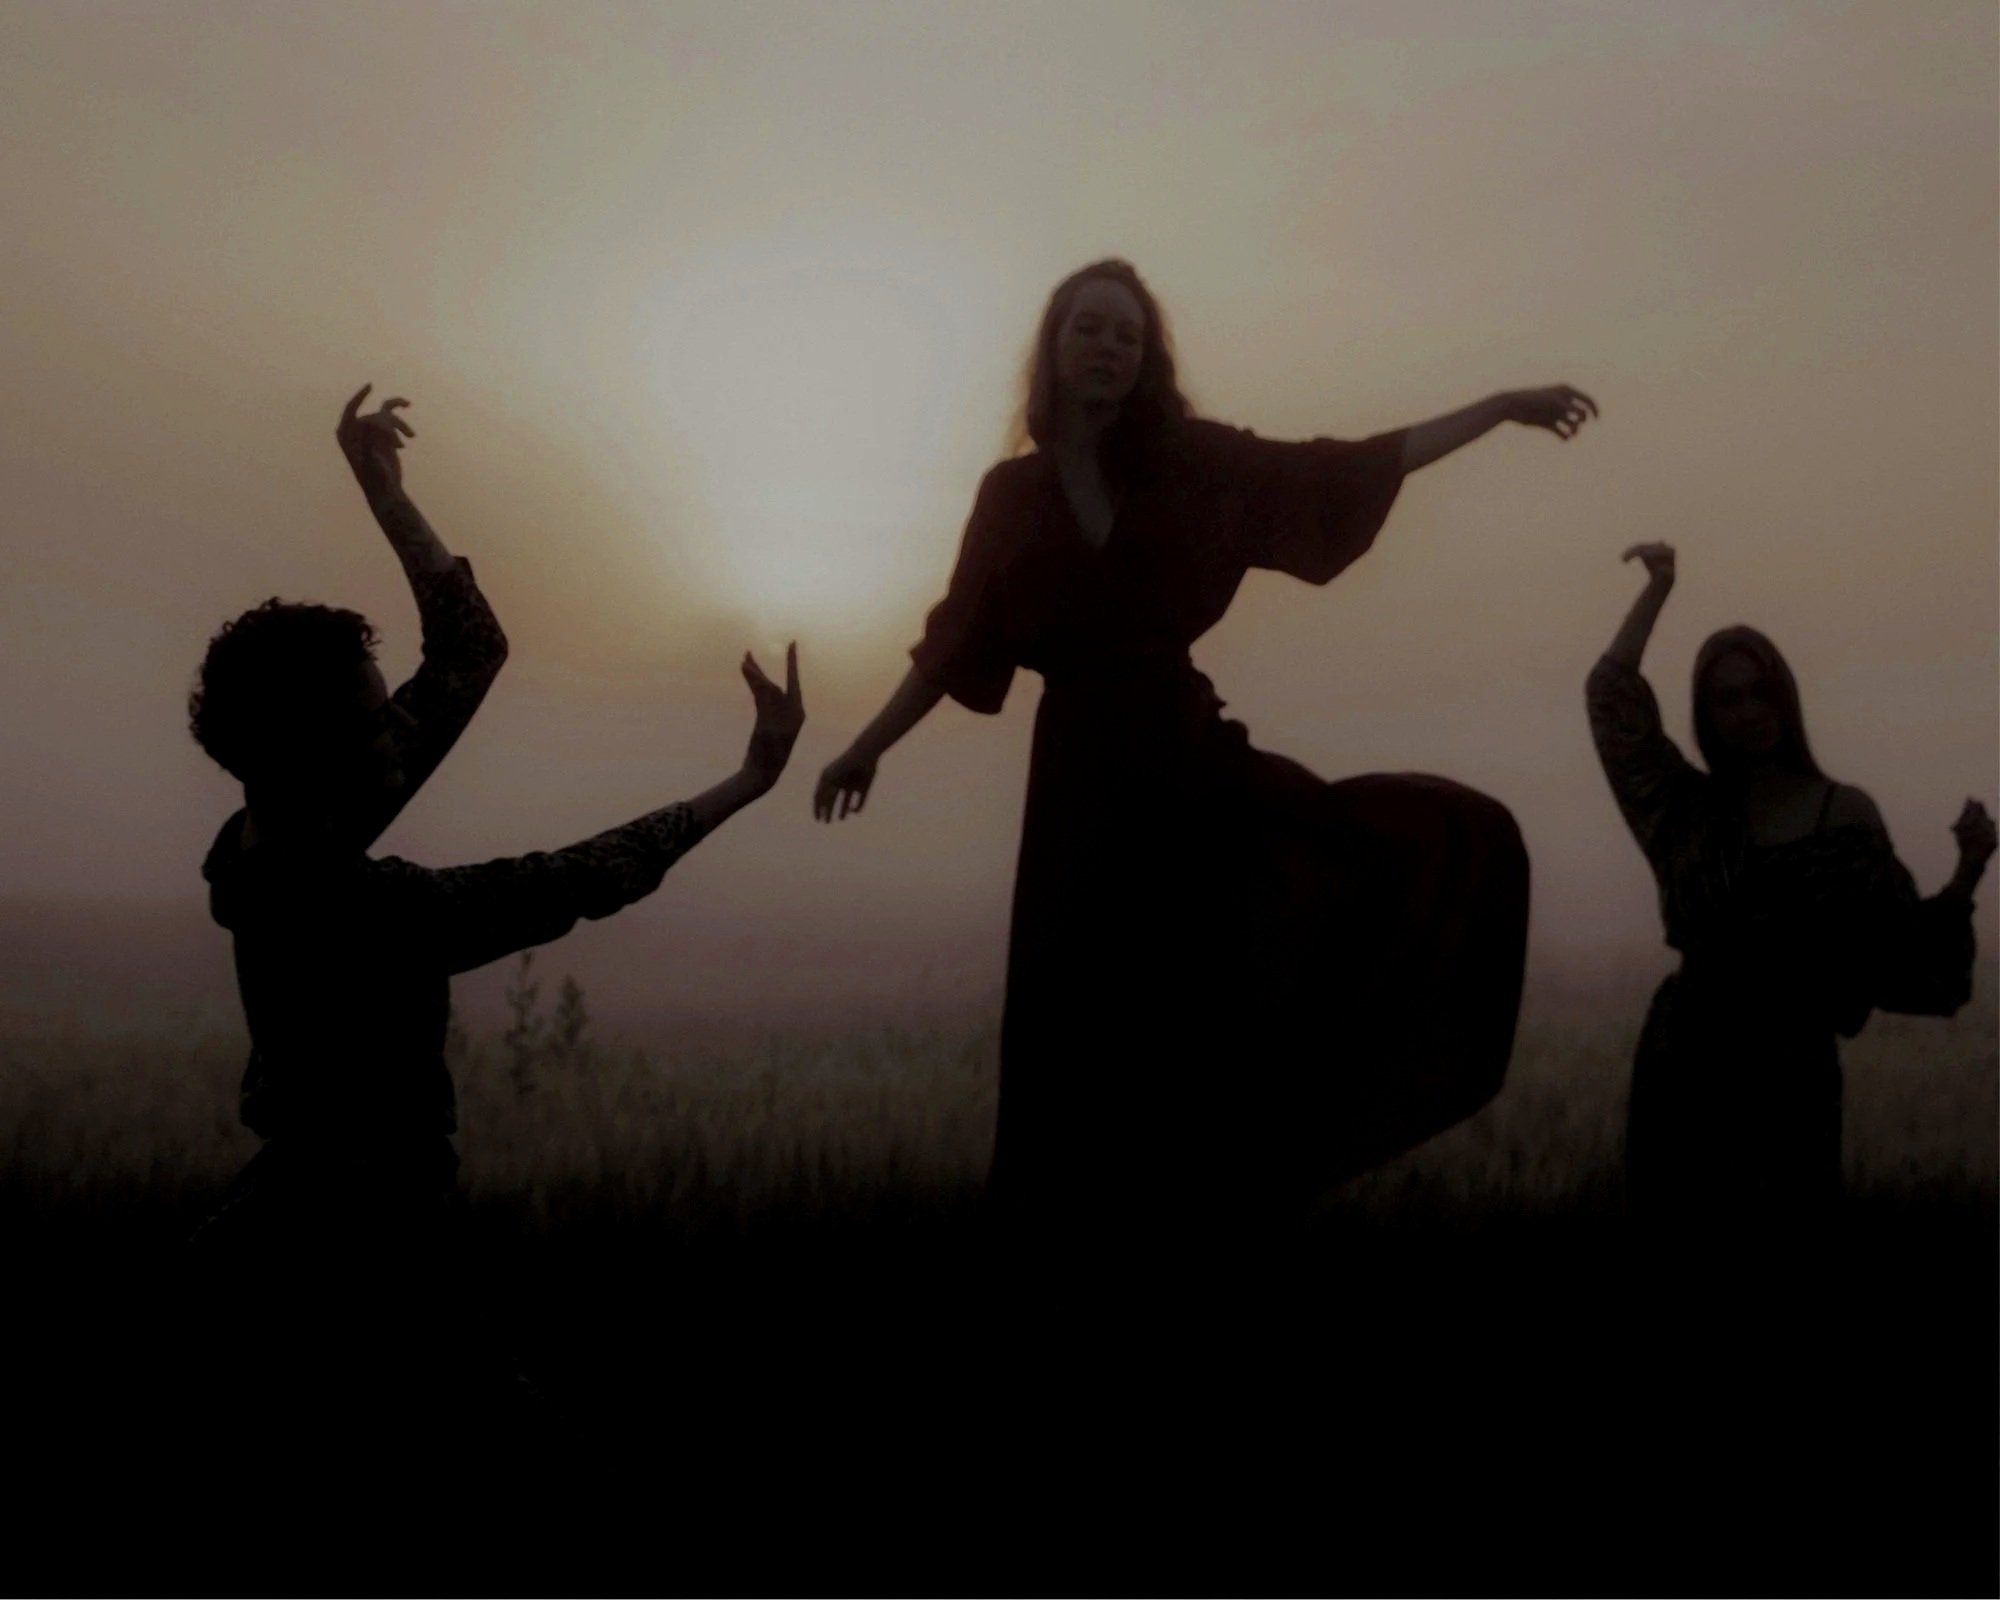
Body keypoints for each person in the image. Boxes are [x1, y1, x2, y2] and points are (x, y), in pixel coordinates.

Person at [815, 258, 1595, 1238]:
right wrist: (867, 747)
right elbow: (953, 641)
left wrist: (1495, 407)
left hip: (1186, 761)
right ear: (1053, 349)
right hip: (1076, 785)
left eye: (1124, 335)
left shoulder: (1194, 465)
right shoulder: (1008, 495)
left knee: (1228, 980)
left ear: (1145, 362)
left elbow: (1343, 467)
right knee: (1074, 1017)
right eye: (1087, 328)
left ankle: (1202, 1222)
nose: (1104, 347)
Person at [182, 385, 805, 1423]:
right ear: (316, 755)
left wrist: (386, 493)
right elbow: (570, 881)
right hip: (368, 1250)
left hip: (282, 1218)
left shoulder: (274, 832)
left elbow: (469, 651)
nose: (403, 735)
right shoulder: (352, 905)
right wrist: (745, 784)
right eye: (378, 722)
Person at [1587, 541, 1990, 1260]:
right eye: (1728, 698)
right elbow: (1611, 694)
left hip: (1787, 1076)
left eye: (1761, 690)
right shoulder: (1684, 813)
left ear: (1787, 696)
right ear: (1707, 715)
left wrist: (1967, 873)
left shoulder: (1843, 814)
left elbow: (1902, 951)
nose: (1750, 711)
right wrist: (1660, 588)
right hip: (1684, 1069)